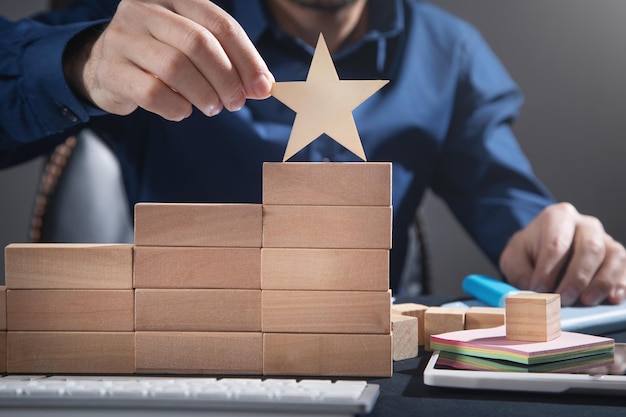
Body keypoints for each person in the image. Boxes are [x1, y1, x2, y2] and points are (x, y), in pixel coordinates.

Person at [1, 0, 624, 305]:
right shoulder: (160, 19)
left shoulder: (448, 54)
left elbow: (508, 201)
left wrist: (557, 246)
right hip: (180, 364)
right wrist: (84, 63)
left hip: (369, 376)